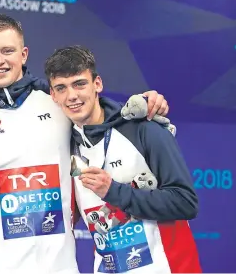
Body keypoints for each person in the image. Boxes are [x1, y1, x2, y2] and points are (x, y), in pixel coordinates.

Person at [0, 14, 170, 274]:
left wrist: (148, 102)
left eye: (7, 50)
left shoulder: (55, 99)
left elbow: (101, 116)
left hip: (60, 264)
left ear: (24, 54)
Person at [44, 46, 201, 273]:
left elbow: (186, 202)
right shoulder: (65, 145)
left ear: (97, 84)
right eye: (62, 88)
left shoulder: (144, 129)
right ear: (53, 95)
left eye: (80, 84)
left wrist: (114, 192)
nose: (72, 96)